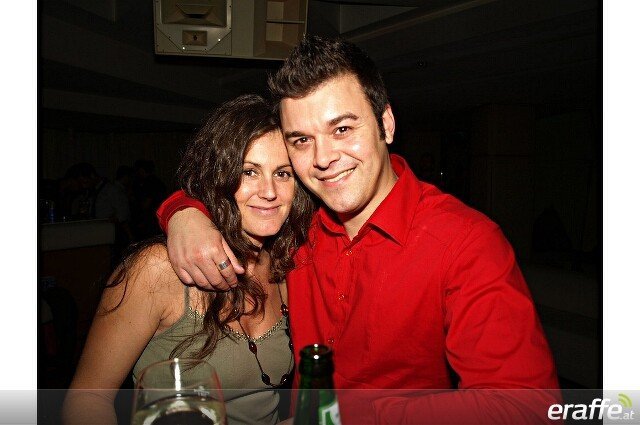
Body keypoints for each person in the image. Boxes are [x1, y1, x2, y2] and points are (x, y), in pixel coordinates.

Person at [156, 36, 560, 423]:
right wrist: (183, 212)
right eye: (302, 140)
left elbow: (526, 410)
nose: (323, 158)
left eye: (342, 130)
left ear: (386, 124)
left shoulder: (465, 243)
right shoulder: (296, 227)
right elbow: (234, 196)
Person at [62, 95, 314, 425]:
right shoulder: (156, 270)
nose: (269, 191)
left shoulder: (287, 265)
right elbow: (87, 399)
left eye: (282, 173)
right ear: (218, 177)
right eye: (249, 172)